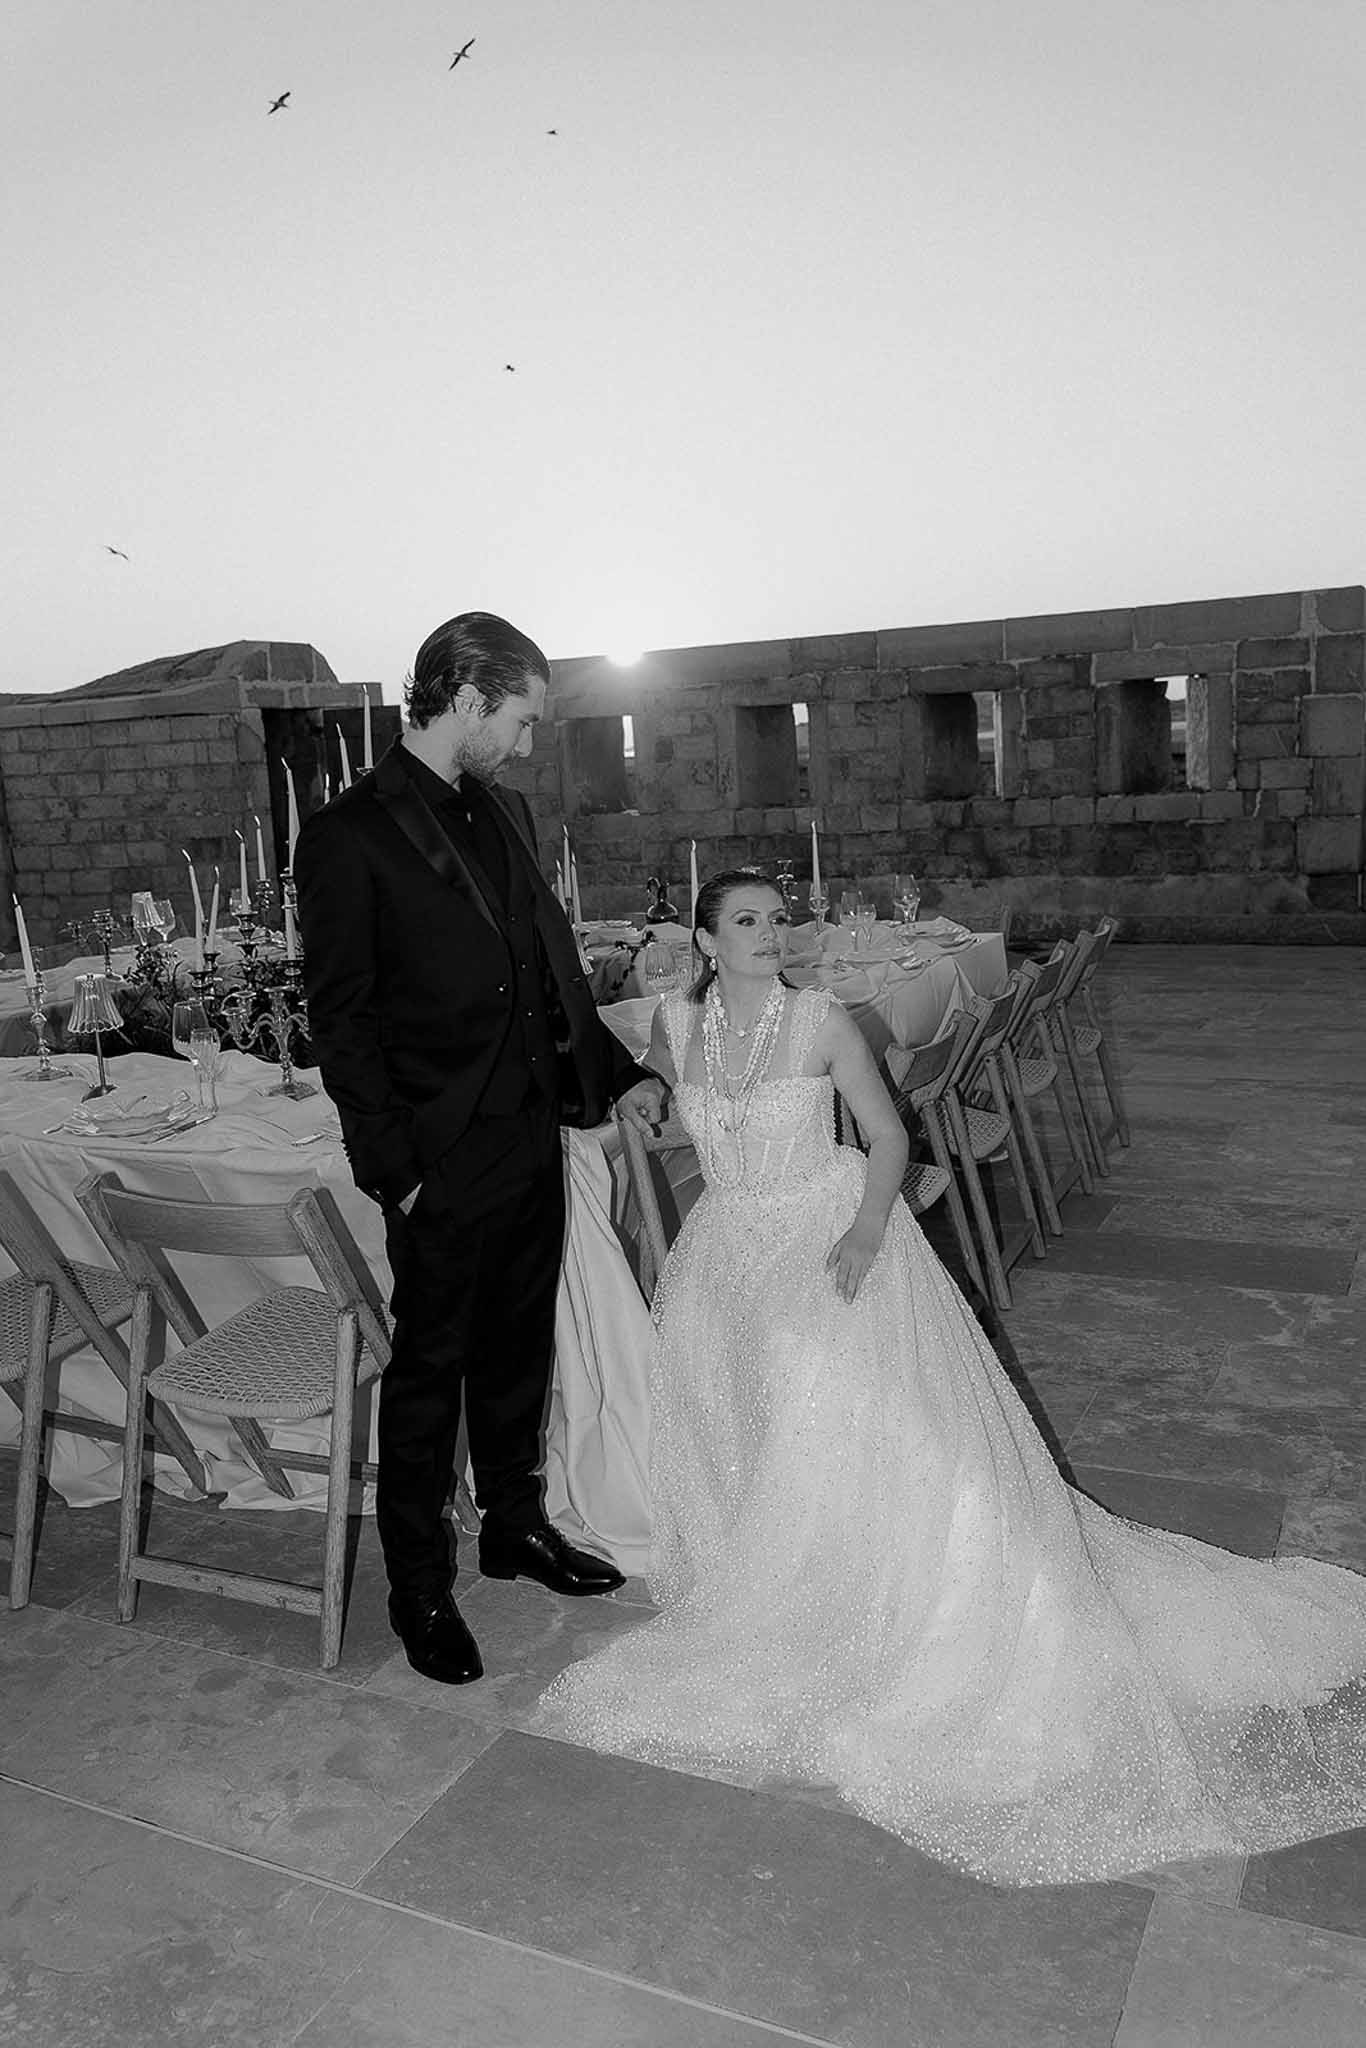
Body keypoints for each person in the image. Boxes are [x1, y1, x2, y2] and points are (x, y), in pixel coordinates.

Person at [534, 869, 1366, 1885]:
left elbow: (888, 1137)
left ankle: (923, 1588)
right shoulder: (672, 1020)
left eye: (775, 919)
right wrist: (645, 1094)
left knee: (857, 1415)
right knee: (747, 1419)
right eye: (746, 922)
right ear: (705, 941)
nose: (769, 934)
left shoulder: (823, 1021)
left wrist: (866, 1230)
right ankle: (799, 1565)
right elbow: (658, 1099)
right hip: (724, 1255)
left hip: (826, 1232)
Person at [294, 611, 666, 1687]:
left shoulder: (500, 809)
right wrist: (393, 1166)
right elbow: (342, 1017)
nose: (526, 737)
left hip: (524, 1129)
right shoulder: (348, 832)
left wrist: (618, 1074)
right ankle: (418, 1582)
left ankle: (514, 1522)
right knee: (430, 1372)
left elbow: (543, 968)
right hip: (436, 1151)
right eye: (519, 715)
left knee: (517, 1346)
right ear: (465, 698)